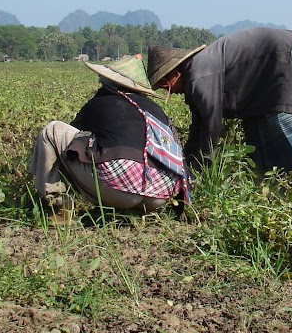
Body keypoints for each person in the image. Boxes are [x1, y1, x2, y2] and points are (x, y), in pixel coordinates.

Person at [147, 27, 292, 197]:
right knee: (257, 134)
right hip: (266, 69)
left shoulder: (199, 75)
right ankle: (270, 193)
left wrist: (204, 166)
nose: (170, 92)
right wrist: (186, 163)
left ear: (174, 75)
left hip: (282, 55)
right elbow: (197, 126)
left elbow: (211, 124)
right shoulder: (195, 75)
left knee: (283, 124)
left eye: (165, 86)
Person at [30, 55, 190, 222]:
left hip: (119, 187)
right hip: (162, 191)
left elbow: (75, 143)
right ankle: (137, 212)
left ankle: (57, 208)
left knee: (52, 130)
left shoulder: (100, 102)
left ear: (110, 84)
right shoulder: (155, 110)